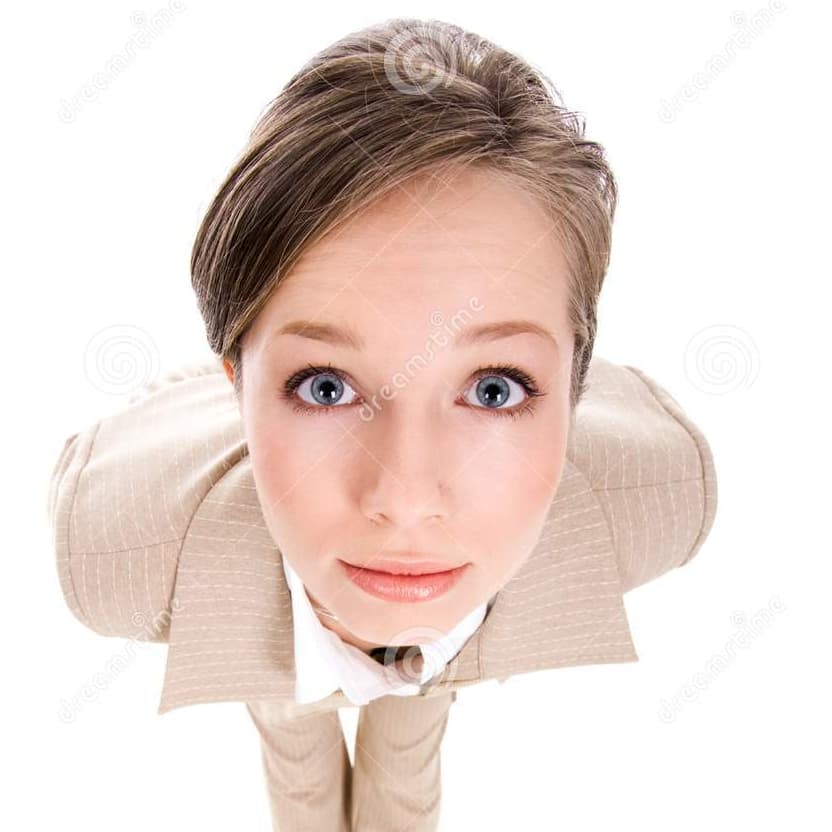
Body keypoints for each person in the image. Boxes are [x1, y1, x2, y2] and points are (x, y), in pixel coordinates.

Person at [47, 17, 719, 832]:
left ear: (576, 389)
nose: (404, 501)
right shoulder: (115, 550)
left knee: (411, 702)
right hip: (230, 515)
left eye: (495, 390)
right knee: (290, 708)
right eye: (325, 387)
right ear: (237, 386)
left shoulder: (660, 495)